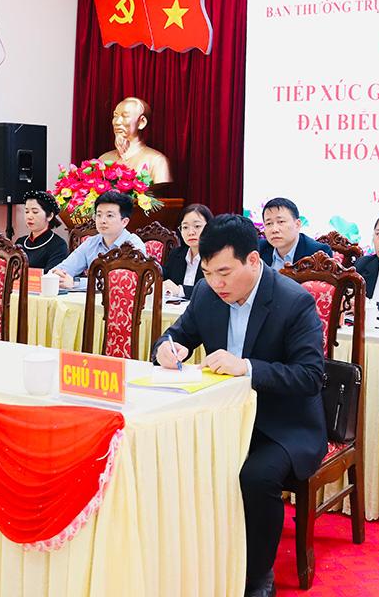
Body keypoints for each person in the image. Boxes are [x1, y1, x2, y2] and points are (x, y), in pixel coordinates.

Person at [152, 214, 325, 597]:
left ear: (253, 260)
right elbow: (176, 335)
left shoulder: (293, 301)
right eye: (208, 273)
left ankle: (256, 576)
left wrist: (247, 367)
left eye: (225, 273)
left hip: (282, 425)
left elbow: (310, 376)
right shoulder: (206, 293)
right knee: (171, 455)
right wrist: (167, 348)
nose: (217, 283)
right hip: (223, 417)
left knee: (255, 477)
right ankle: (192, 560)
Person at [52, 190, 147, 288]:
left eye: (109, 216)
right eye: (99, 215)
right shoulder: (90, 243)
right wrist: (56, 276)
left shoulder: (133, 245)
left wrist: (76, 283)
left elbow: (122, 282)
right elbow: (63, 269)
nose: (102, 220)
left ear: (124, 222)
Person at [97, 96, 173, 183]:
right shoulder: (104, 159)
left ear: (142, 122)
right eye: (115, 116)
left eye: (125, 116)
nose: (117, 122)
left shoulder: (157, 161)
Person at [257, 197, 333, 270]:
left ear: (297, 224)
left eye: (281, 222)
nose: (274, 229)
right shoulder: (258, 249)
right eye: (269, 223)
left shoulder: (318, 253)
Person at [162, 203, 213, 298]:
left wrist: (181, 290)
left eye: (197, 226)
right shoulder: (176, 254)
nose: (190, 232)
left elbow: (213, 290)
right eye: (185, 227)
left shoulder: (216, 257)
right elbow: (164, 278)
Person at [15, 190, 69, 271]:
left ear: (50, 216)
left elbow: (51, 275)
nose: (29, 216)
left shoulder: (58, 245)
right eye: (26, 211)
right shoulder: (20, 242)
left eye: (35, 212)